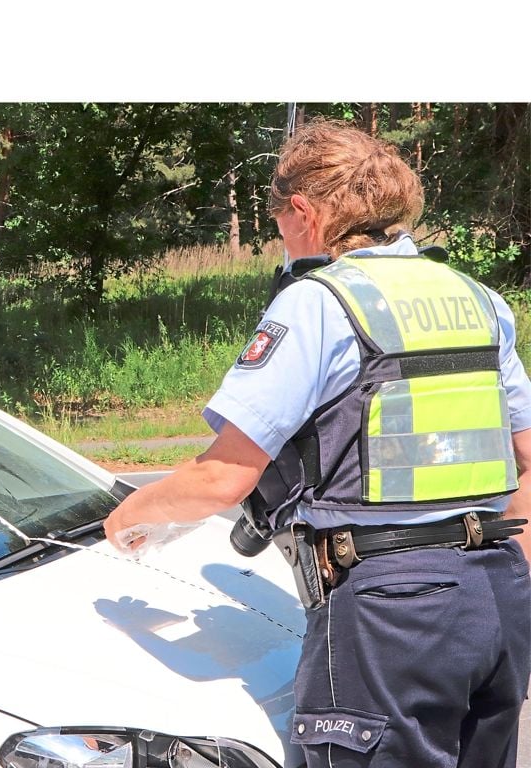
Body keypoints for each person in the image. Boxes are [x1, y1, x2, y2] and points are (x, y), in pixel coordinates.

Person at [104, 118, 531, 767]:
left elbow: (223, 477)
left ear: (301, 210)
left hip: (391, 616)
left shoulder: (320, 304)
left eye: (278, 224)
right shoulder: (476, 299)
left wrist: (125, 517)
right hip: (496, 598)